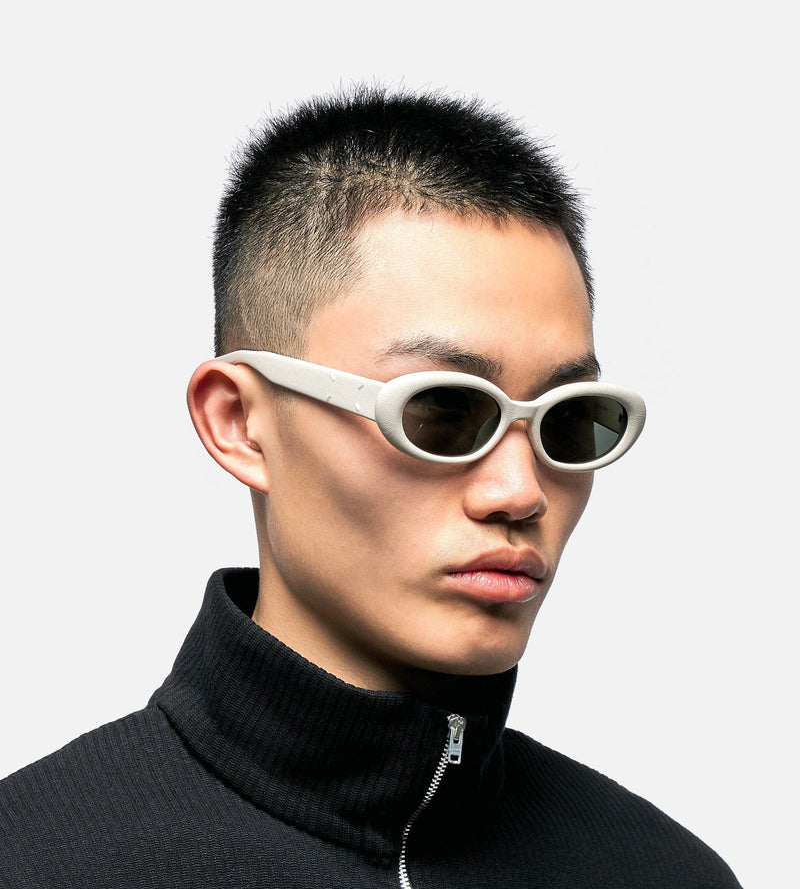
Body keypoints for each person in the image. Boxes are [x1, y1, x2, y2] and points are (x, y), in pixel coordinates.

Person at [0, 88, 741, 887]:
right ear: (240, 422)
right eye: (443, 412)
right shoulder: (35, 860)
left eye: (569, 422)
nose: (520, 490)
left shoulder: (665, 873)